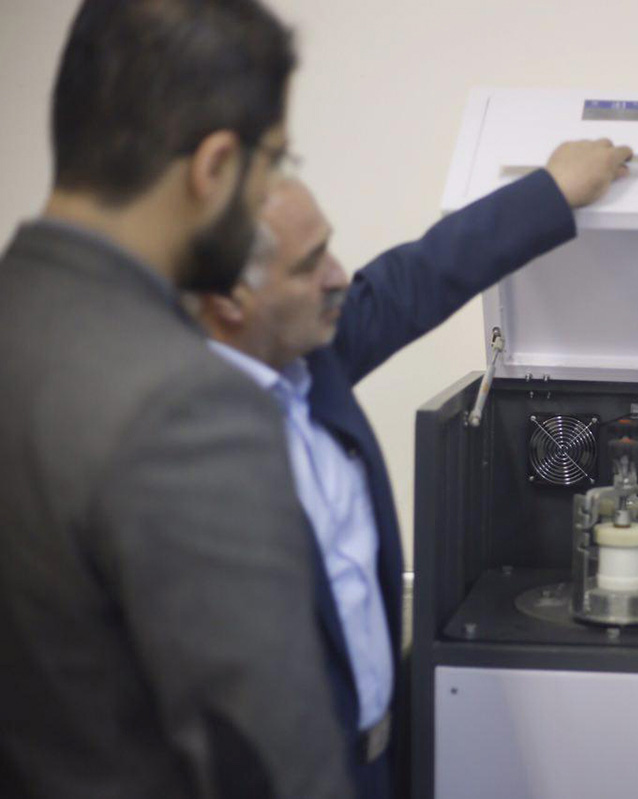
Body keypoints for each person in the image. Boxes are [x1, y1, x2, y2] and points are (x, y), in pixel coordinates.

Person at [188, 143, 631, 799]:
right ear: (231, 300)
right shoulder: (177, 442)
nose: (339, 277)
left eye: (329, 249)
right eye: (309, 264)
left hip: (371, 763)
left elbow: (419, 275)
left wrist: (553, 189)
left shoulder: (308, 354)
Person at [0, 2, 353, 798]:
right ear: (215, 166)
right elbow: (275, 764)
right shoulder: (188, 408)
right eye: (274, 160)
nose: (272, 187)